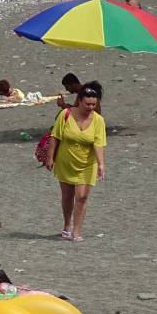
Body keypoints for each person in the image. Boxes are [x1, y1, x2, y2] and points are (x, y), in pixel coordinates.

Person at [43, 81, 106, 242]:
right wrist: (50, 158)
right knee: (67, 196)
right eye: (87, 104)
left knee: (82, 197)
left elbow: (98, 143)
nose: (90, 107)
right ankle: (67, 226)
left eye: (94, 104)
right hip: (66, 161)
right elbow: (55, 137)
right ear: (79, 100)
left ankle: (77, 231)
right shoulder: (66, 114)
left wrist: (101, 164)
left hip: (87, 163)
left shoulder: (98, 120)